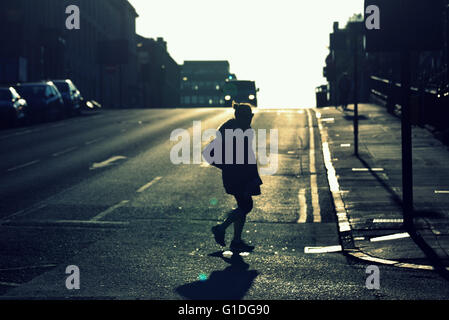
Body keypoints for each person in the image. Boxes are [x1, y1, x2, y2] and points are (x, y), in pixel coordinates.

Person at [204, 102, 262, 252]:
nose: (250, 119)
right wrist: (227, 166)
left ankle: (236, 240)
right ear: (240, 116)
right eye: (248, 116)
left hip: (242, 176)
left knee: (244, 205)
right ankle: (221, 229)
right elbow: (208, 153)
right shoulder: (232, 130)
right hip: (237, 177)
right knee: (246, 205)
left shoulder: (242, 129)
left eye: (251, 116)